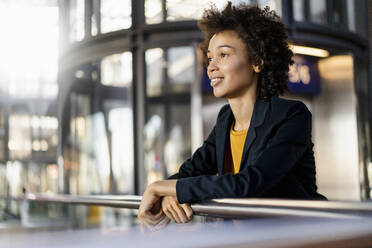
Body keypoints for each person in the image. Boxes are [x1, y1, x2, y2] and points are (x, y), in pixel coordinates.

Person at [138, 1, 327, 231]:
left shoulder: (291, 115)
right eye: (210, 58)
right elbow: (192, 170)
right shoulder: (225, 118)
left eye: (224, 55)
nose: (211, 67)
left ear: (257, 61)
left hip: (302, 237)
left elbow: (250, 184)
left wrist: (162, 188)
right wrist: (168, 191)